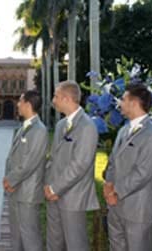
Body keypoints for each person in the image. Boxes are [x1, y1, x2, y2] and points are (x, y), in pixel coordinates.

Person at [44, 80, 99, 251]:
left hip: (73, 198)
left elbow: (80, 165)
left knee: (76, 244)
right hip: (53, 195)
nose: (53, 100)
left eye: (56, 96)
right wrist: (48, 186)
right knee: (54, 243)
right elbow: (53, 159)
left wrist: (55, 189)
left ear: (67, 99)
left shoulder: (87, 127)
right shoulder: (61, 125)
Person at [104, 84, 152, 251]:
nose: (120, 103)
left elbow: (143, 173)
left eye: (124, 99)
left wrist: (116, 192)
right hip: (115, 207)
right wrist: (108, 185)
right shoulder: (123, 130)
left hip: (138, 210)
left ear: (134, 103)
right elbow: (112, 161)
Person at [3, 90, 48, 251]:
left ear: (28, 104)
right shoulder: (24, 127)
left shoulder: (39, 130)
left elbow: (30, 162)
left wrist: (11, 179)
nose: (17, 104)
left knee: (30, 236)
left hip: (27, 192)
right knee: (16, 235)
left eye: (20, 101)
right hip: (16, 190)